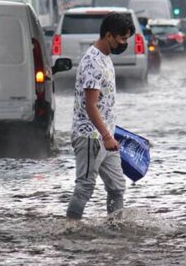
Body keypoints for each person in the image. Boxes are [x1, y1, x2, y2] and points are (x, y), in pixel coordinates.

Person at [66, 12, 133, 220]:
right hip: (91, 137)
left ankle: (115, 226)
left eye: (127, 39)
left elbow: (105, 103)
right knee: (85, 186)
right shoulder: (92, 62)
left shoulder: (105, 57)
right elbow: (90, 105)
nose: (124, 43)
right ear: (108, 35)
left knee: (117, 187)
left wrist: (112, 134)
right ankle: (71, 228)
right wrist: (106, 135)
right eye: (121, 38)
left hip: (106, 137)